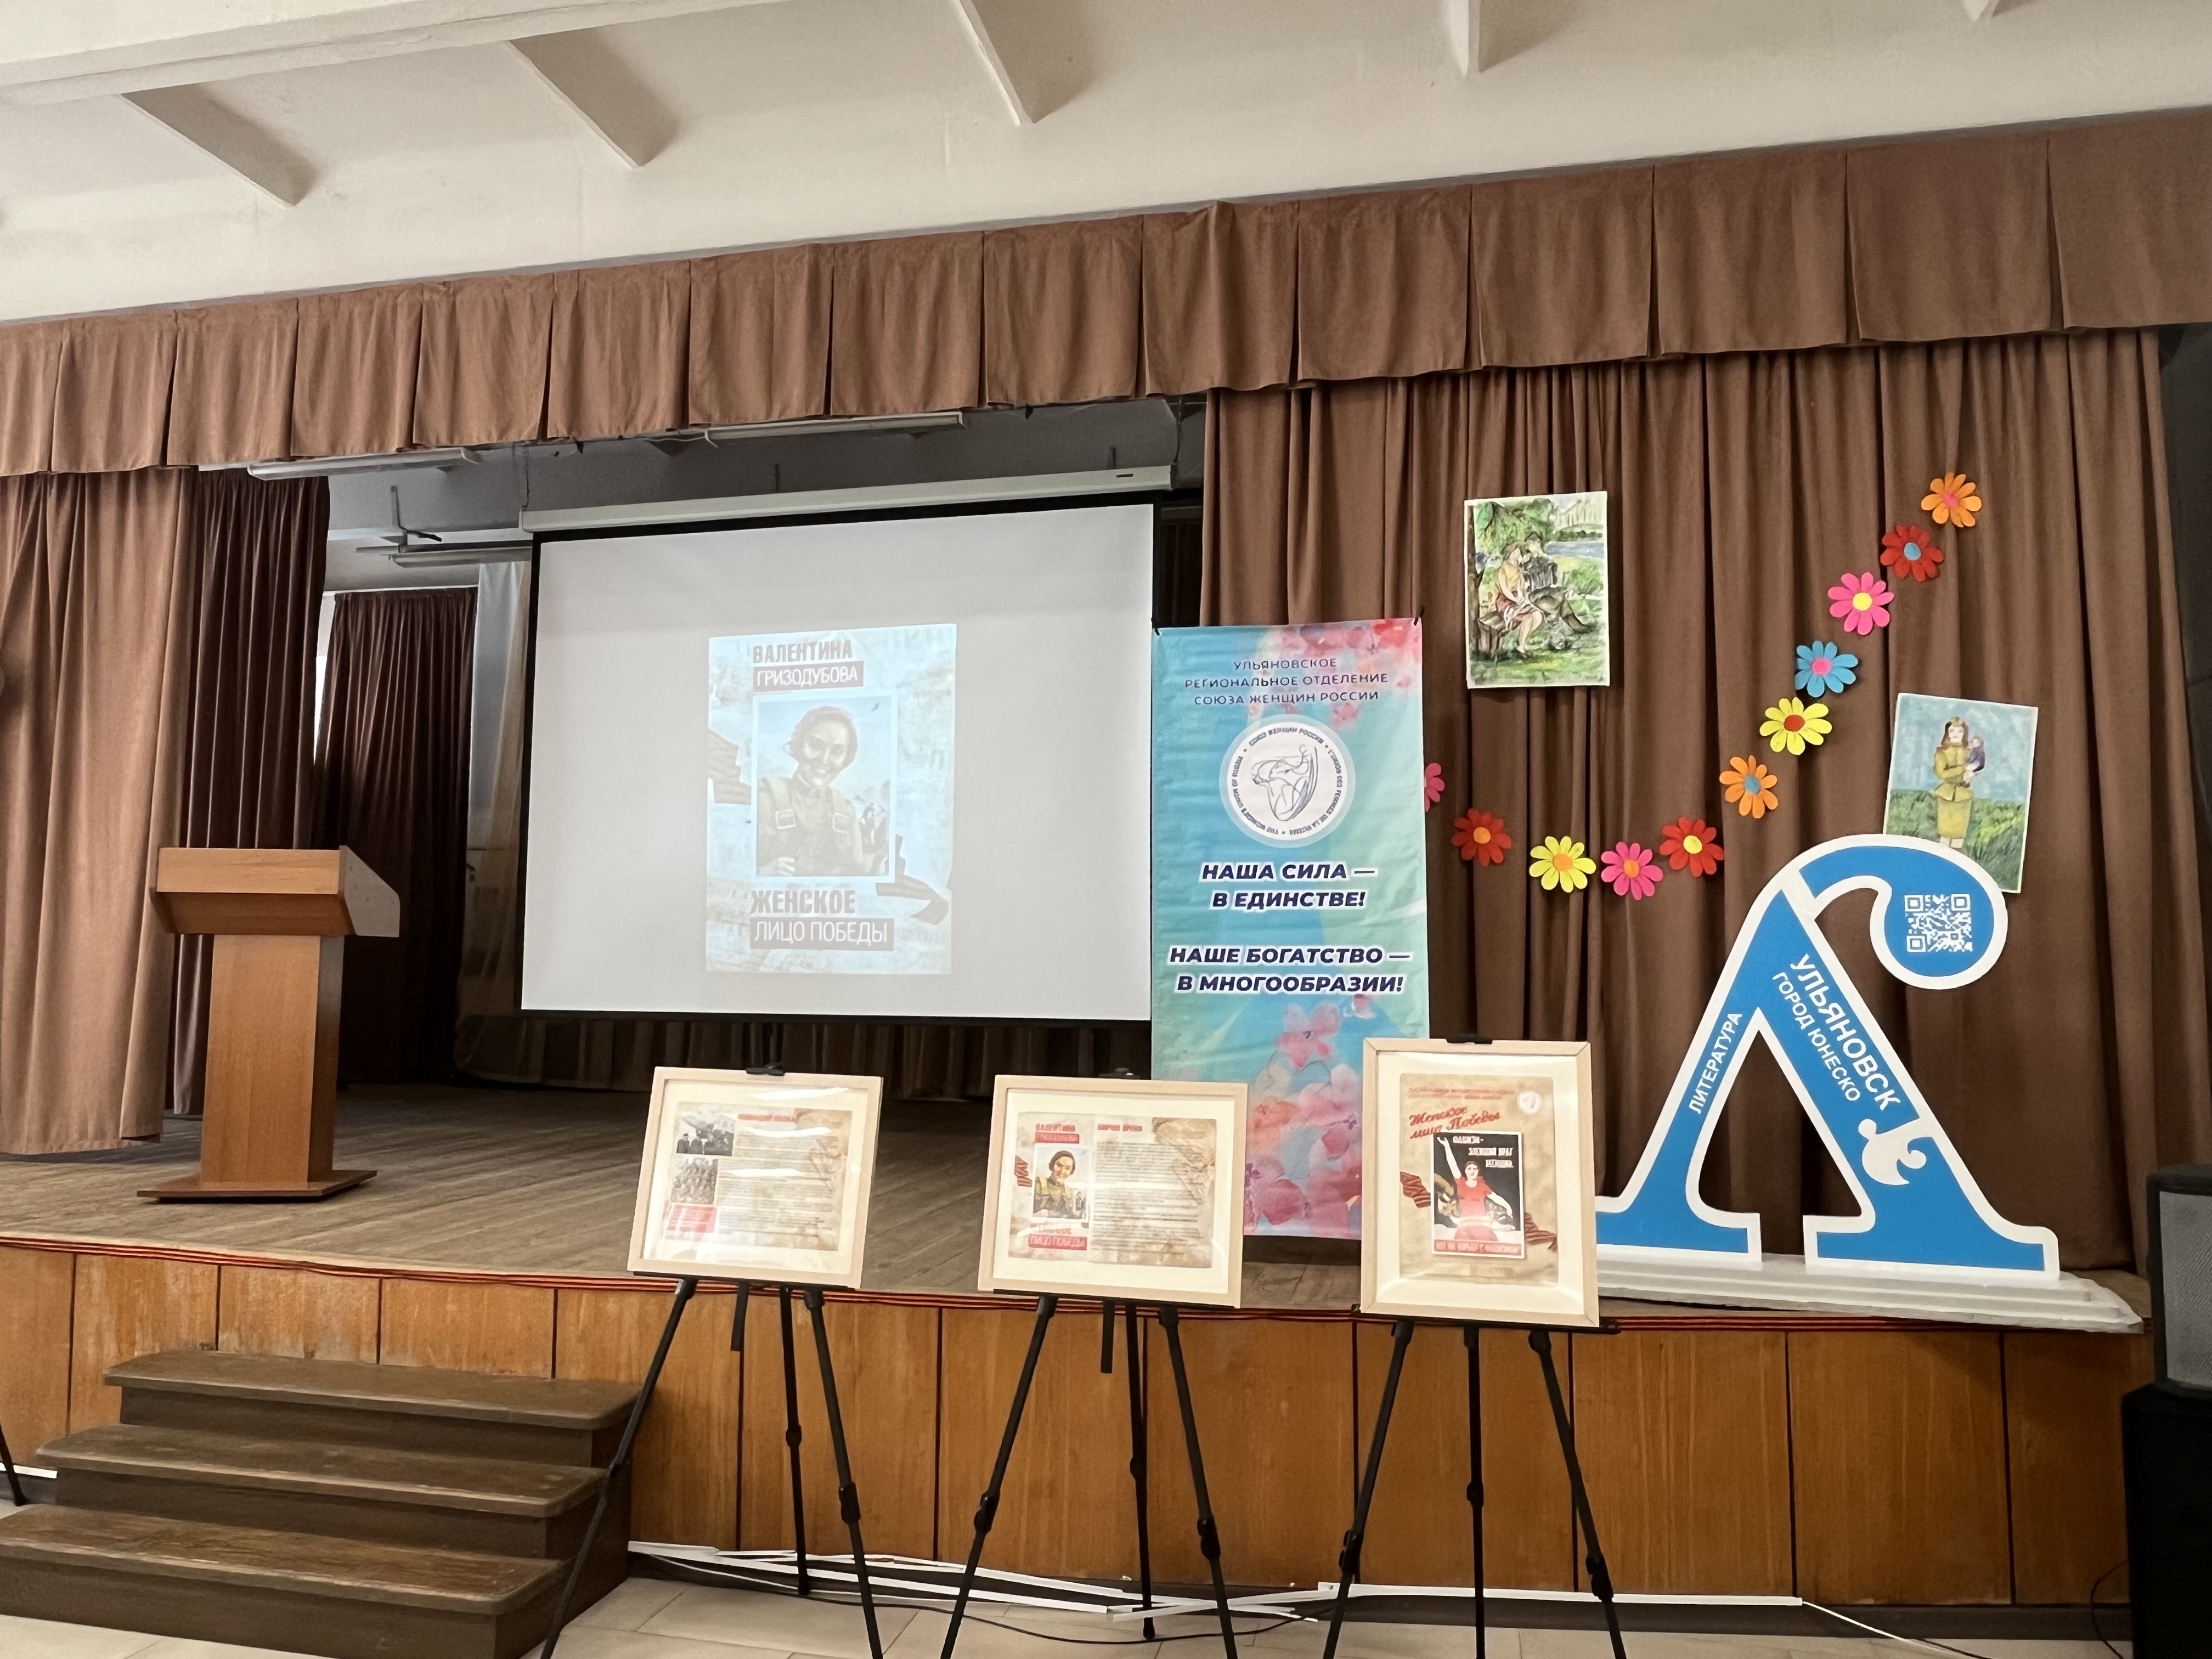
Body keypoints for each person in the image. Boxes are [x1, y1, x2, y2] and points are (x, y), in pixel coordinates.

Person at [755, 705, 888, 877]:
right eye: (815, 746)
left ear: (846, 758)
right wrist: (762, 873)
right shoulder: (763, 798)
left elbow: (855, 874)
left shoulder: (845, 811)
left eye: (837, 752)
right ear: (798, 746)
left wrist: (878, 866)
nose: (824, 760)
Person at [1932, 715, 1980, 850]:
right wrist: (1963, 768)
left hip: (1964, 795)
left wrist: (1974, 771)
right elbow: (1942, 773)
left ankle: (1957, 857)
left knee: (1959, 834)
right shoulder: (1942, 752)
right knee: (1945, 833)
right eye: (1952, 731)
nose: (1956, 734)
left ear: (1965, 733)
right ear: (1947, 733)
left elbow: (1978, 765)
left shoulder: (1969, 751)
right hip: (1946, 795)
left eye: (1960, 731)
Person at [1032, 1149, 1086, 1220]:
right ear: (1052, 1165)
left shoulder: (1070, 1194)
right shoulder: (1038, 1184)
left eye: (1068, 1168)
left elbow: (1073, 1217)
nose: (1062, 1172)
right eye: (1059, 1166)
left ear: (1071, 1172)